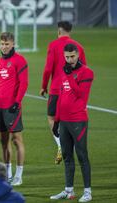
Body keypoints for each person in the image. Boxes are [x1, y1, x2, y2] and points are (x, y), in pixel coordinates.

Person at [50, 43, 94, 202]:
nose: (69, 60)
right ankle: (69, 191)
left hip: (78, 120)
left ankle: (88, 192)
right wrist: (56, 121)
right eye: (67, 57)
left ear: (78, 55)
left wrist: (69, 75)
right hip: (65, 121)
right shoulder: (64, 70)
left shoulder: (87, 72)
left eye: (72, 57)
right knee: (67, 156)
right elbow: (62, 96)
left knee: (82, 155)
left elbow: (82, 96)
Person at [40, 21, 87, 164]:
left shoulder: (53, 45)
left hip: (56, 89)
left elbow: (48, 68)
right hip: (73, 90)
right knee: (71, 118)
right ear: (70, 31)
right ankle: (73, 146)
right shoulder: (79, 47)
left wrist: (43, 86)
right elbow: (84, 69)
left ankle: (61, 144)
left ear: (58, 31)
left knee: (51, 117)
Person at [0, 32, 28, 186]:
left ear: (13, 44)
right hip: (0, 107)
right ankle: (8, 173)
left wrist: (17, 102)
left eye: (7, 44)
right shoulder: (0, 62)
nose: (4, 47)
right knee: (3, 141)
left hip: (12, 107)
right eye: (2, 44)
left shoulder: (20, 60)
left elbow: (24, 83)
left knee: (17, 140)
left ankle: (19, 175)